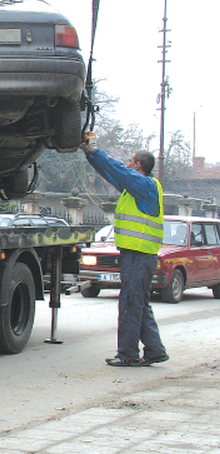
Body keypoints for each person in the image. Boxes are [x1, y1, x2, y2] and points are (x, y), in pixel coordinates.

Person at [81, 138, 169, 367]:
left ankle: (127, 354)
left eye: (131, 161)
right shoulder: (137, 189)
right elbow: (112, 173)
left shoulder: (146, 186)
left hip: (139, 255)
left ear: (139, 165)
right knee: (139, 302)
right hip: (139, 254)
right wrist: (90, 155)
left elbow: (118, 171)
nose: (128, 165)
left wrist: (96, 150)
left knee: (130, 302)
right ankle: (155, 350)